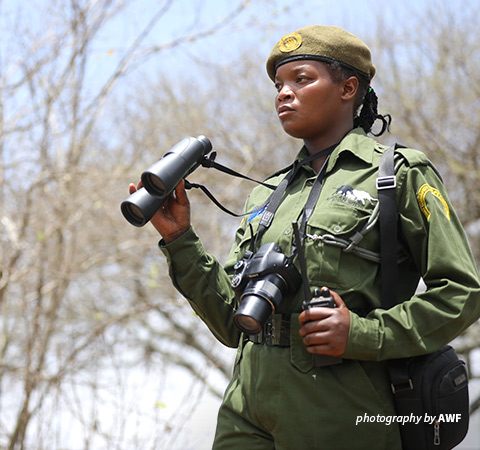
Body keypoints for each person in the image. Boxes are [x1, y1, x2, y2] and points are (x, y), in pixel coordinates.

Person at [129, 25, 480, 449]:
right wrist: (180, 238)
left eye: (301, 79)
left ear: (348, 87)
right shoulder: (267, 195)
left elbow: (461, 292)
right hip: (246, 410)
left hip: (340, 411)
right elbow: (230, 323)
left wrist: (362, 333)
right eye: (279, 84)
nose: (283, 93)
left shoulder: (397, 175)